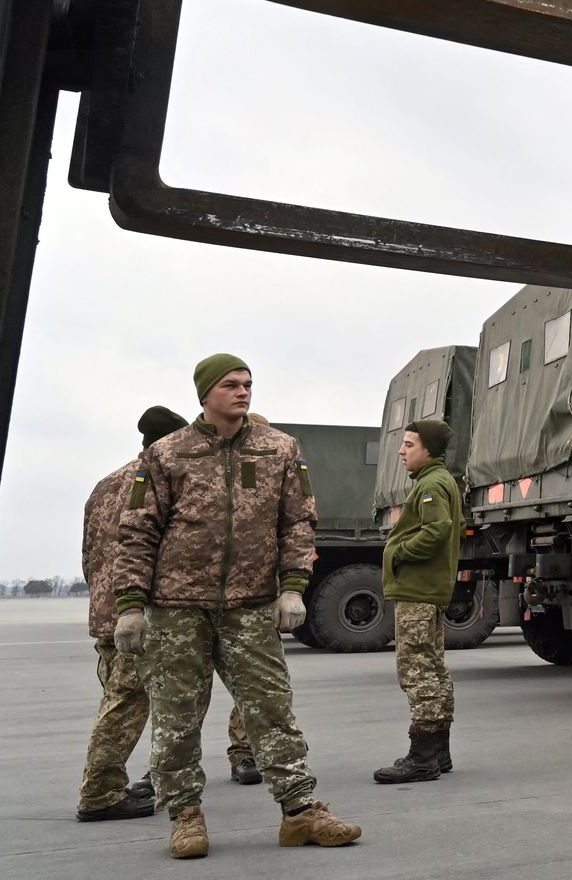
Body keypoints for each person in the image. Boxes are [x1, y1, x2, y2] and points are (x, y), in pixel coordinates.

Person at [112, 354, 361, 859]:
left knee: (271, 708)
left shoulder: (280, 449)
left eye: (248, 384)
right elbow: (136, 532)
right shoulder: (166, 455)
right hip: (177, 605)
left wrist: (293, 587)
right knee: (177, 714)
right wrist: (131, 604)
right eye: (230, 385)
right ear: (205, 394)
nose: (243, 392)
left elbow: (297, 522)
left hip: (250, 604)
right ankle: (184, 815)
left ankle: (300, 812)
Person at [74, 405, 188, 821]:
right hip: (140, 613)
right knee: (126, 704)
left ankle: (150, 777)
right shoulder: (162, 483)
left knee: (120, 698)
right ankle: (101, 793)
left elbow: (89, 556)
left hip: (106, 611)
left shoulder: (106, 484)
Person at [373, 419, 464, 784]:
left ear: (428, 449)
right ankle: (439, 751)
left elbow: (437, 530)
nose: (401, 451)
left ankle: (422, 757)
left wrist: (398, 553)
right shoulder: (440, 481)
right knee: (433, 667)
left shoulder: (431, 484)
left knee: (417, 670)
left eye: (409, 444)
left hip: (418, 590)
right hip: (427, 590)